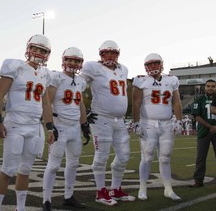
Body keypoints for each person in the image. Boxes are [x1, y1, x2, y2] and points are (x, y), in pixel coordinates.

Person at [0, 34, 55, 211]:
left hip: (34, 126)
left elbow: (46, 104)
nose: (38, 52)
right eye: (35, 48)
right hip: (15, 124)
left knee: (25, 169)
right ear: (28, 49)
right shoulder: (16, 66)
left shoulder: (45, 74)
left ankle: (21, 208)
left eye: (42, 50)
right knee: (8, 170)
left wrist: (50, 128)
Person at [80, 40, 135, 206]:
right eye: (106, 53)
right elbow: (78, 87)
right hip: (101, 119)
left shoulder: (123, 69)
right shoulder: (92, 67)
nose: (110, 56)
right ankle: (100, 191)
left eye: (113, 53)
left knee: (124, 155)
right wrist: (85, 111)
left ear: (118, 54)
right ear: (101, 55)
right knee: (101, 156)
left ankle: (115, 189)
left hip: (120, 120)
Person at [42, 47, 96, 211]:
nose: (73, 63)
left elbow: (79, 103)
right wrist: (51, 126)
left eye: (77, 61)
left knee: (73, 163)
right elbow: (47, 102)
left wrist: (84, 124)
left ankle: (68, 196)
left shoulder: (80, 81)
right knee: (53, 165)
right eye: (70, 60)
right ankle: (46, 201)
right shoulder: (56, 77)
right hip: (60, 124)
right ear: (64, 60)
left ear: (81, 63)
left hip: (74, 127)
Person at [132, 53, 183, 201]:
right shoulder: (141, 80)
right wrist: (136, 122)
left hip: (166, 123)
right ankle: (142, 188)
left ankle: (168, 189)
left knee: (165, 157)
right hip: (148, 123)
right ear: (145, 67)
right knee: (147, 157)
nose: (153, 66)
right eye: (150, 64)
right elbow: (136, 103)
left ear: (161, 64)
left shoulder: (171, 80)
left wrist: (178, 120)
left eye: (155, 63)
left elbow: (177, 102)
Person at [189, 79, 216, 187]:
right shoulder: (199, 99)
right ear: (205, 87)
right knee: (201, 157)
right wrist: (210, 126)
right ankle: (198, 180)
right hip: (204, 131)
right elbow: (196, 116)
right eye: (208, 86)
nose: (210, 88)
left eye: (213, 86)